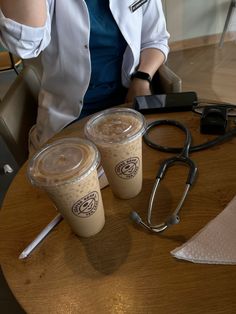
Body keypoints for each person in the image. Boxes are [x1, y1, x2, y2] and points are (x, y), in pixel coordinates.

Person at [0, 0, 169, 150]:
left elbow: (156, 39)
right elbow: (26, 44)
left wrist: (142, 79)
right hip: (70, 116)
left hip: (128, 101)